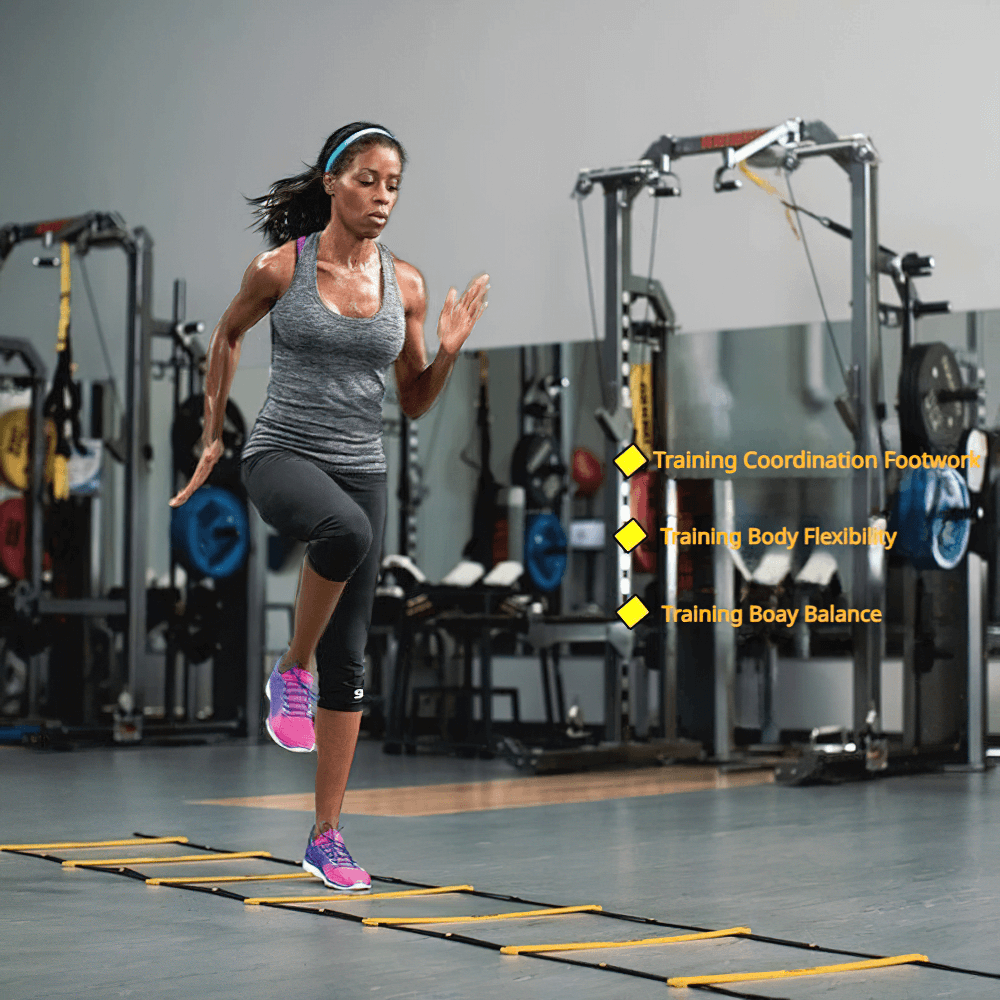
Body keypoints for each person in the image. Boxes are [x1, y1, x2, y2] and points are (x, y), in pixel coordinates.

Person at [169, 121, 489, 891]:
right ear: (331, 182)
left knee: (354, 657)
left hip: (362, 466)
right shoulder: (281, 267)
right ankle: (290, 668)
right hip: (281, 454)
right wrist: (213, 435)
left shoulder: (404, 284)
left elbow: (412, 403)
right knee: (340, 532)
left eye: (393, 185)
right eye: (368, 180)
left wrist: (446, 351)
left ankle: (326, 835)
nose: (382, 198)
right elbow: (227, 335)